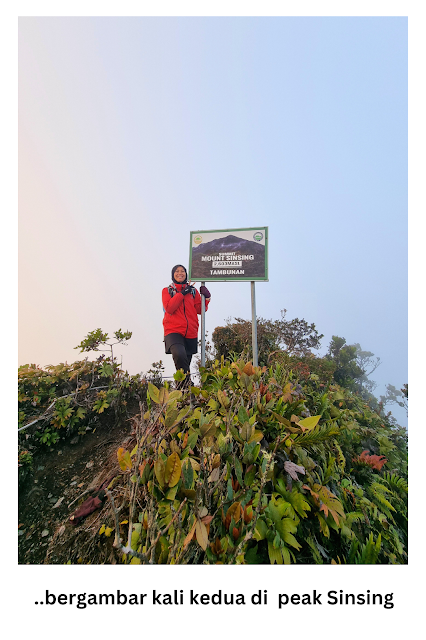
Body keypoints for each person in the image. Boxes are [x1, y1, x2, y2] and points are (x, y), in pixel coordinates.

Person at [162, 265, 211, 382]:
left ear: (186, 274)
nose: (180, 273)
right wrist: (182, 293)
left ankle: (183, 393)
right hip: (173, 331)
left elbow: (200, 309)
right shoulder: (167, 291)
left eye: (182, 271)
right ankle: (189, 388)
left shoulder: (193, 292)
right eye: (177, 271)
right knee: (179, 355)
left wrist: (207, 298)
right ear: (172, 275)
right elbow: (169, 308)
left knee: (184, 368)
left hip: (191, 333)